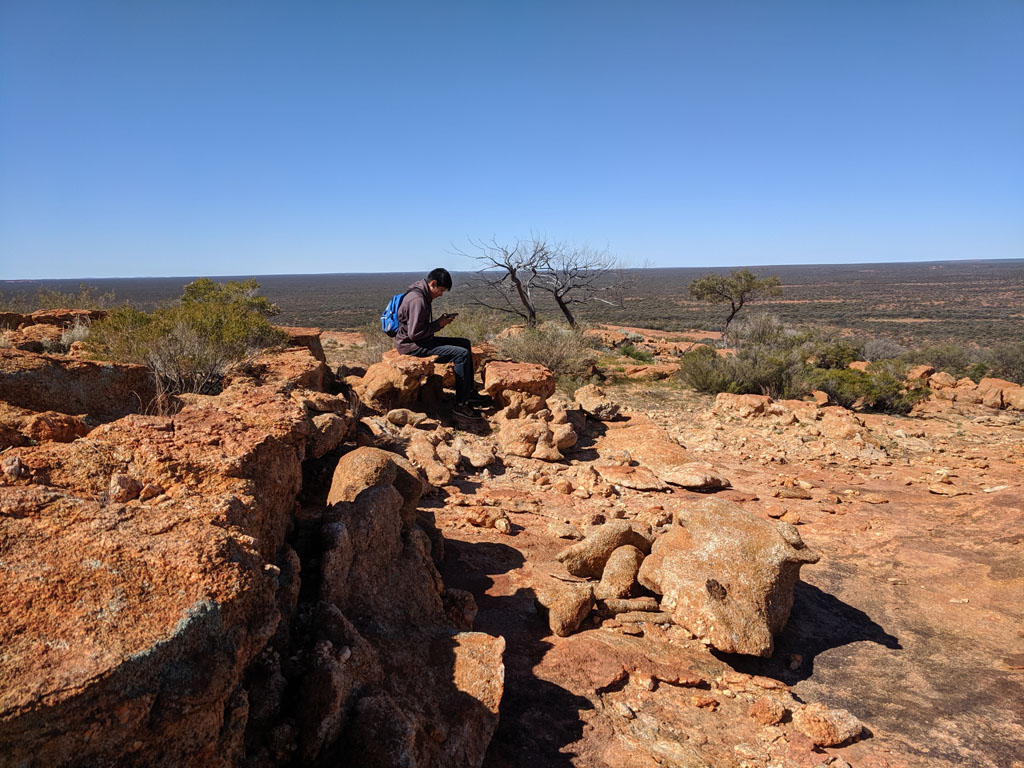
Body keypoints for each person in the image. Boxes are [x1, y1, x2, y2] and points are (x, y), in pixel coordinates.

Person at [395, 268, 488, 417]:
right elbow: (414, 334)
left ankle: (468, 392)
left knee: (464, 343)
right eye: (441, 290)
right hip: (412, 346)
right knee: (462, 354)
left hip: (421, 341)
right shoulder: (418, 300)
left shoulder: (421, 295)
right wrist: (439, 323)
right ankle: (461, 405)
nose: (441, 294)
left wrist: (439, 322)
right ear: (433, 283)